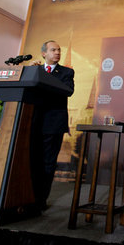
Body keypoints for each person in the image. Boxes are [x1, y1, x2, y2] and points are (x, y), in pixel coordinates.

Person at [31, 40, 74, 210]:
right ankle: (27, 195)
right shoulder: (35, 70)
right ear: (43, 54)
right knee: (33, 161)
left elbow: (67, 91)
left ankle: (40, 200)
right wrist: (32, 71)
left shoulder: (66, 72)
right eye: (53, 50)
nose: (57, 52)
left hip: (53, 124)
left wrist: (42, 75)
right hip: (33, 123)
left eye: (59, 50)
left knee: (48, 163)